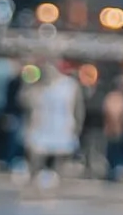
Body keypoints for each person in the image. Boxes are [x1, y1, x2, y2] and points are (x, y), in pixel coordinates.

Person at [23, 60, 82, 188]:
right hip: (42, 124)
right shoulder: (39, 85)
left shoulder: (69, 85)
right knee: (38, 153)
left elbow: (77, 108)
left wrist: (77, 127)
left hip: (62, 125)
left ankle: (55, 180)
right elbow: (28, 104)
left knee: (58, 156)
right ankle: (35, 179)